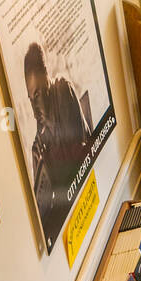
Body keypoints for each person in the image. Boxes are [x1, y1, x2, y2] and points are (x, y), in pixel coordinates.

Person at [24, 43, 92, 248]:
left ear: (47, 81)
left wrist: (49, 158)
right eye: (30, 99)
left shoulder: (63, 88)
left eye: (37, 95)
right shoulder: (40, 138)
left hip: (85, 191)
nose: (35, 108)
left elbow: (79, 151)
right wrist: (39, 165)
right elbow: (43, 201)